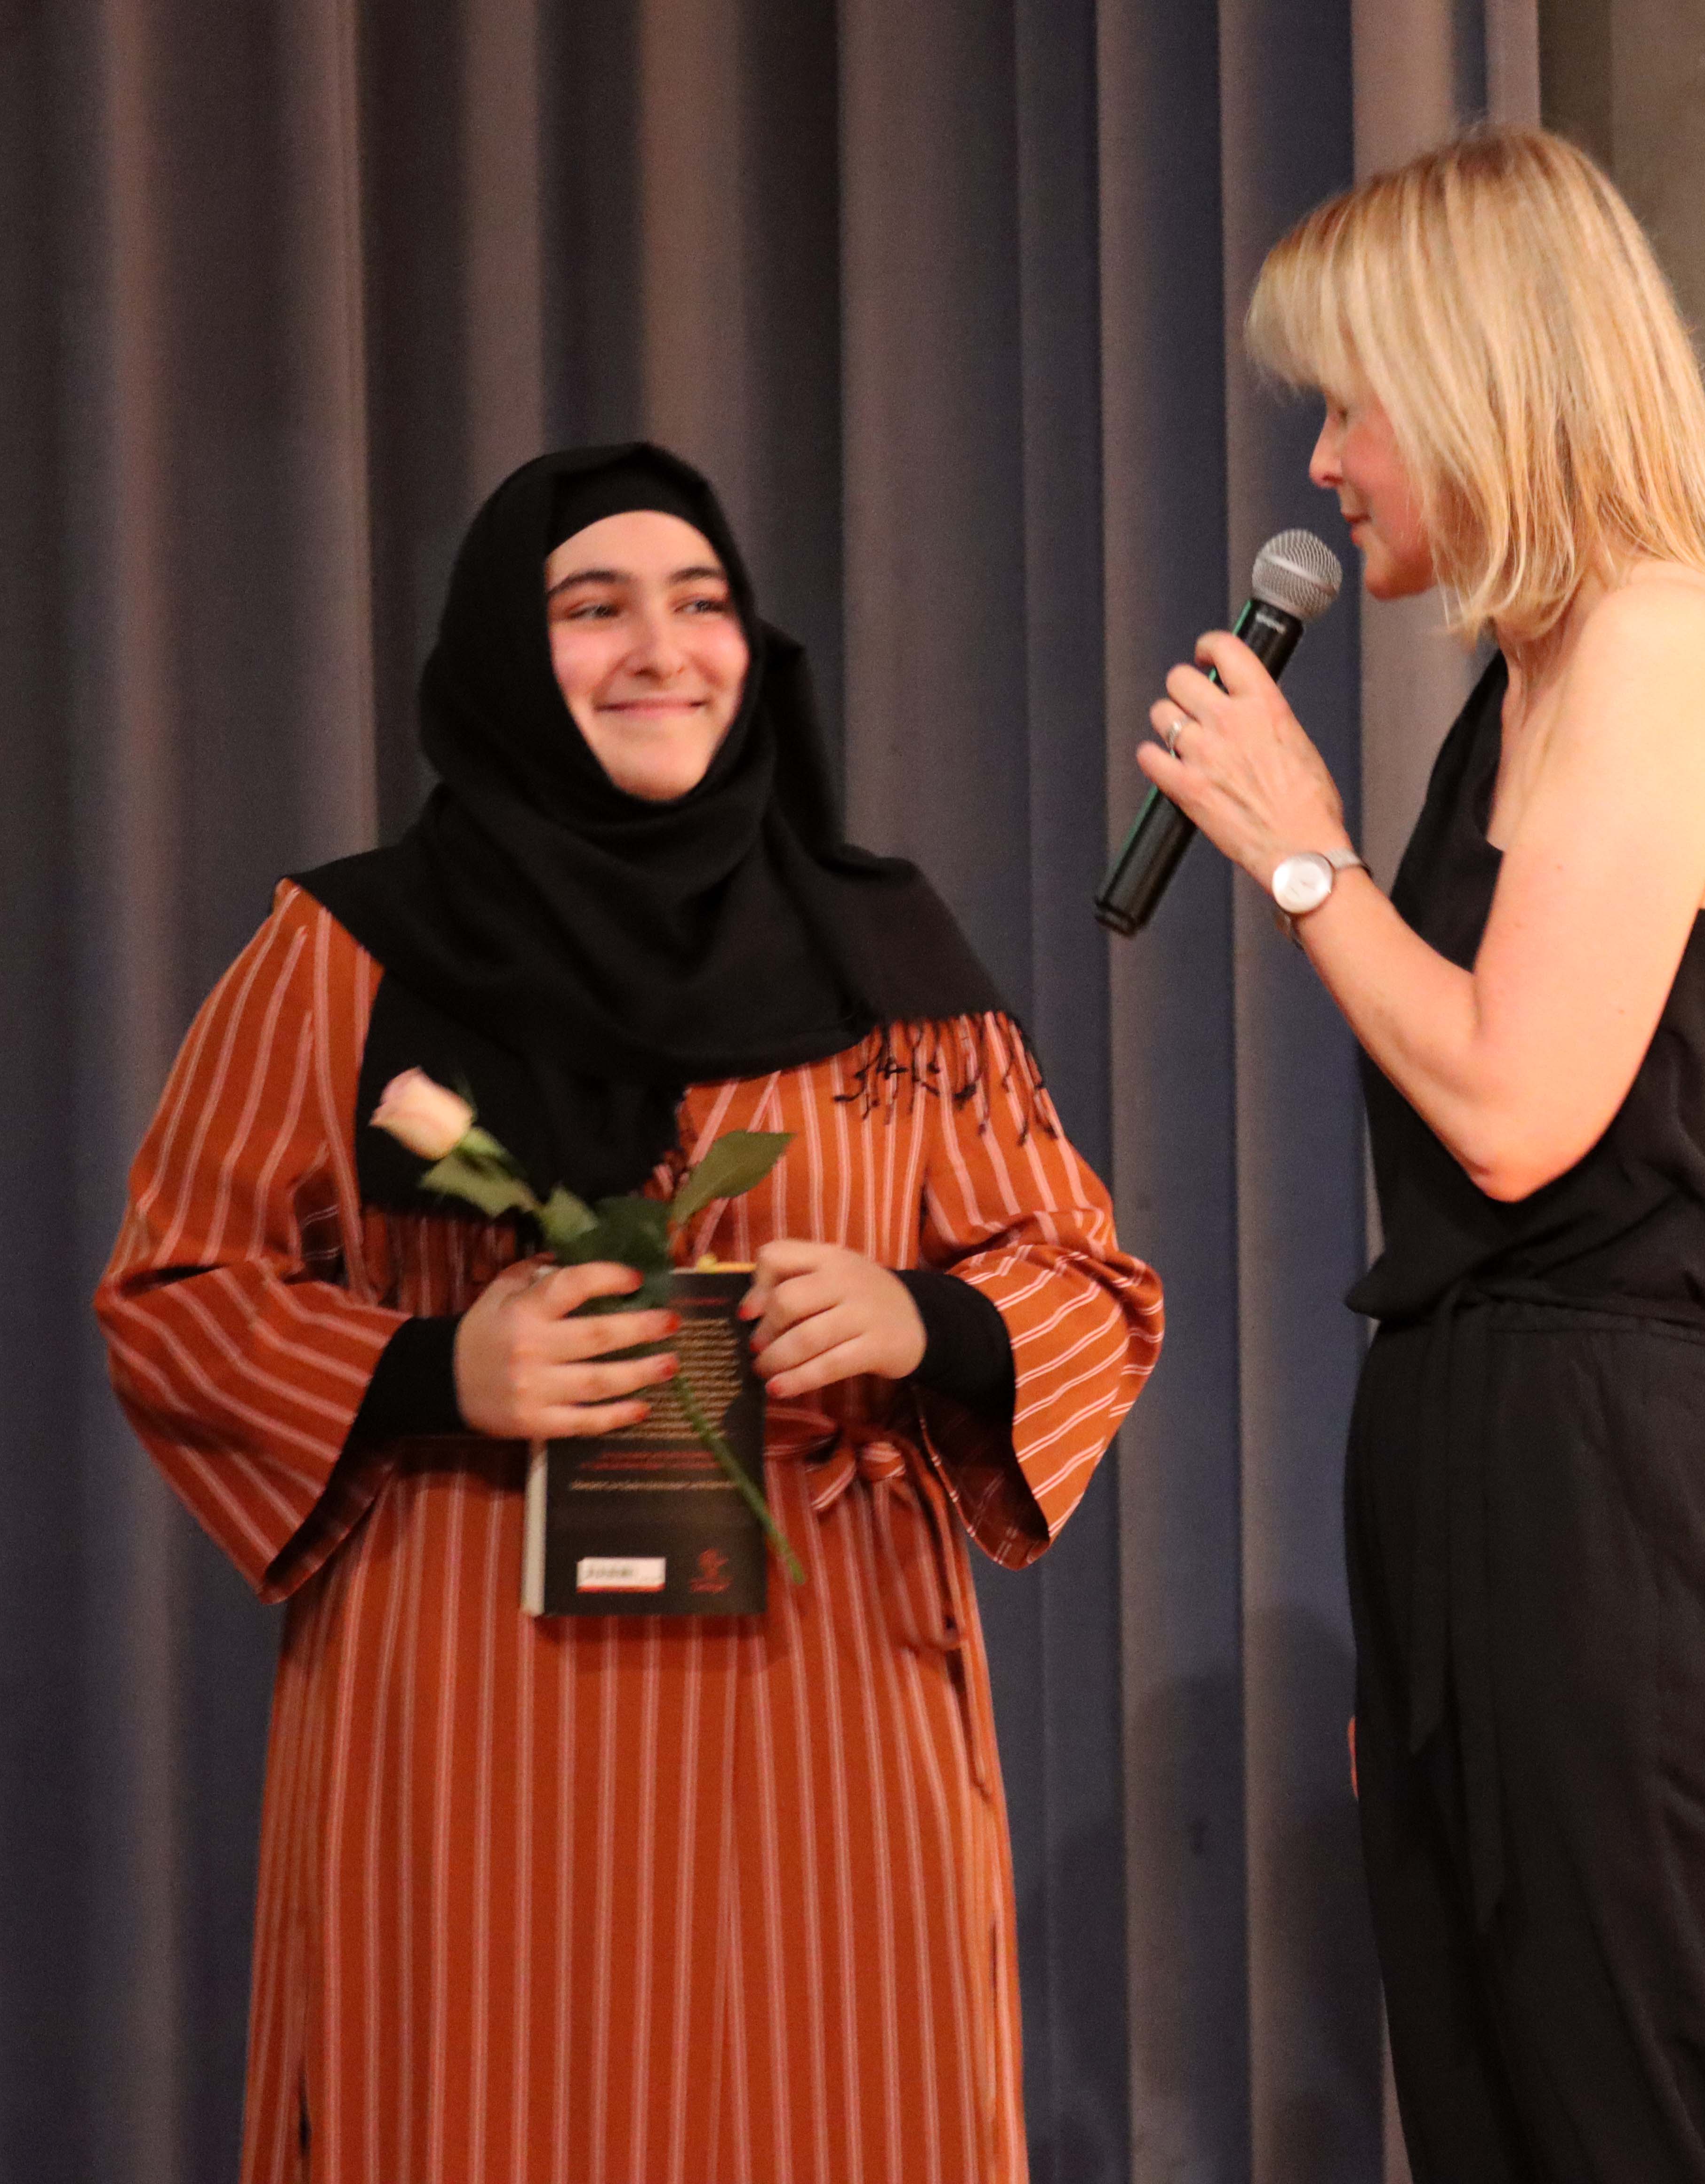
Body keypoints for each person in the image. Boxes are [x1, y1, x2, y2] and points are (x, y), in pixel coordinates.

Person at [96, 442, 1163, 2184]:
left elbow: (1088, 1283)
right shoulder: (347, 955)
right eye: (593, 609)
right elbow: (174, 1297)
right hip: (476, 1701)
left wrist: (923, 1322)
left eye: (702, 602)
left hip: (830, 1699)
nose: (661, 650)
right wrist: (438, 1365)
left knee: (838, 2117)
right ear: (507, 658)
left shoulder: (891, 963)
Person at [1137, 129, 1705, 2183]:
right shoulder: (1522, 684)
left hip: (1621, 1470)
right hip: (1484, 1452)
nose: (1326, 464)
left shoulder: (1665, 645)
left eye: (1352, 404)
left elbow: (1520, 1113)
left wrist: (1302, 853)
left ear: (1477, 382)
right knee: (1497, 2116)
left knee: (1645, 2113)